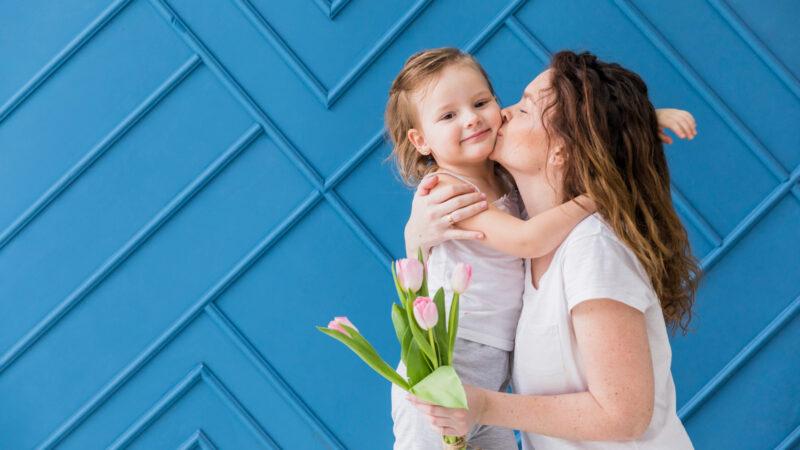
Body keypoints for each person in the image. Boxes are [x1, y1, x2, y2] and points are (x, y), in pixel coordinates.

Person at [404, 50, 700, 449]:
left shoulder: (591, 248)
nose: (499, 114)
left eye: (524, 108)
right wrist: (416, 237)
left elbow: (625, 415)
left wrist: (484, 407)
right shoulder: (528, 243)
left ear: (562, 149)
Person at [385, 47, 596, 450]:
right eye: (448, 116)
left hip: (491, 384)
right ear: (421, 140)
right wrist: (596, 198)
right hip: (445, 369)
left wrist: (645, 122)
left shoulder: (507, 175)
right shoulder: (447, 191)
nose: (471, 118)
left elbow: (569, 135)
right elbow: (528, 239)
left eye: (481, 102)